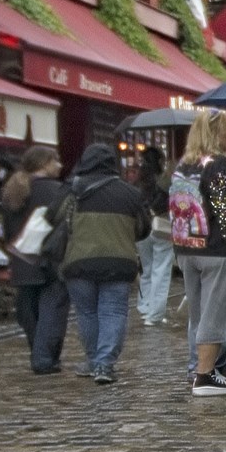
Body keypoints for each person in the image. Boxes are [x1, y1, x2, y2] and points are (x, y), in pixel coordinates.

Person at [167, 111, 226, 397]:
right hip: (217, 249)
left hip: (187, 247)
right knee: (214, 313)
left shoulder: (185, 165)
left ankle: (201, 367)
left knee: (198, 313)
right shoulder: (219, 165)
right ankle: (204, 375)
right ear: (217, 134)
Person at [46, 145, 150, 384]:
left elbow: (52, 217)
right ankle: (104, 364)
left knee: (87, 313)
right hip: (119, 262)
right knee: (113, 311)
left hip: (78, 262)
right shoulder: (129, 193)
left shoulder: (73, 189)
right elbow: (144, 229)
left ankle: (93, 360)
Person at [133, 147, 177, 324]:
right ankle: (155, 314)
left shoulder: (137, 183)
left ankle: (144, 307)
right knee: (162, 269)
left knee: (147, 269)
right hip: (162, 227)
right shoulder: (165, 182)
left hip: (142, 229)